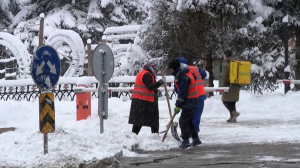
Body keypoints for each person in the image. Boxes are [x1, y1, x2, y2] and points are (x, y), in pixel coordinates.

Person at [168, 59, 201, 149]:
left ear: (174, 68)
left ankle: (185, 141)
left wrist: (178, 105)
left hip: (189, 101)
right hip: (193, 100)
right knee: (189, 121)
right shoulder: (186, 72)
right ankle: (195, 138)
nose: (170, 71)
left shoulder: (183, 77)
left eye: (170, 69)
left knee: (183, 121)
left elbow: (182, 93)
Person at [128, 61, 166, 135]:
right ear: (152, 68)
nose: (156, 70)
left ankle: (134, 135)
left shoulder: (144, 73)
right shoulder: (147, 74)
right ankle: (154, 135)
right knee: (152, 120)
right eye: (155, 69)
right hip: (145, 101)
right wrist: (160, 82)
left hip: (140, 101)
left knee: (139, 121)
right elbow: (150, 86)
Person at [175, 57, 207, 134]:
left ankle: (190, 133)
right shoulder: (195, 69)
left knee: (188, 116)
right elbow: (204, 74)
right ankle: (194, 132)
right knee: (196, 115)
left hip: (189, 97)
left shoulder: (179, 73)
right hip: (200, 95)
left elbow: (177, 89)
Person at [220, 50, 240, 122]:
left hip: (228, 85)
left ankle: (234, 113)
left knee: (225, 101)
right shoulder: (235, 62)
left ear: (225, 55)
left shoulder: (225, 64)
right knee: (232, 102)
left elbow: (224, 77)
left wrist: (222, 87)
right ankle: (233, 118)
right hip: (236, 85)